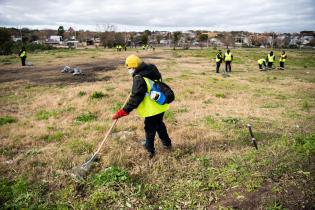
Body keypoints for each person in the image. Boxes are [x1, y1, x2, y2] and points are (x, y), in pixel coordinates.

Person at [112, 55, 172, 158]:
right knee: (159, 125)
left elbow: (136, 97)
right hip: (160, 105)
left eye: (129, 68)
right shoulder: (149, 72)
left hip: (152, 109)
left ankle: (149, 150)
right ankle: (167, 144)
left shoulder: (139, 78)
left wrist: (124, 111)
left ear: (133, 66)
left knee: (149, 128)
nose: (129, 70)